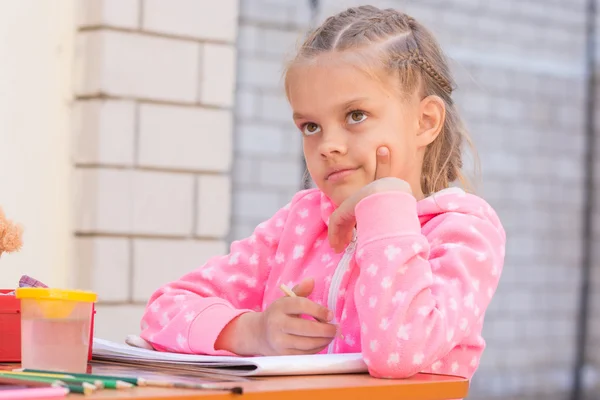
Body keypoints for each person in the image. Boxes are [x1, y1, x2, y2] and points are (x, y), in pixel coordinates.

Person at [140, 5, 506, 380]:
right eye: (311, 126)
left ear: (425, 121)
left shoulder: (464, 232)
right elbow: (163, 310)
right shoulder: (300, 223)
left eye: (355, 115)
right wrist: (253, 331)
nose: (328, 144)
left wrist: (384, 207)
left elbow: (398, 353)